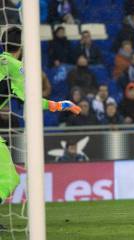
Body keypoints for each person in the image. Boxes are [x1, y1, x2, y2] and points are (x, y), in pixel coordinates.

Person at [0, 27, 81, 204]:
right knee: (9, 179)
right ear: (22, 47)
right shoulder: (14, 66)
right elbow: (31, 100)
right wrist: (60, 105)